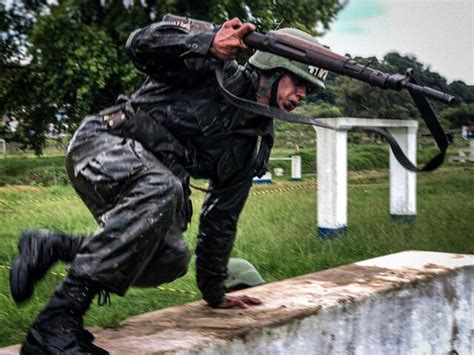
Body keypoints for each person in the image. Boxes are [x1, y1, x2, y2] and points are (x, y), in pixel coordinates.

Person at [10, 16, 326, 354]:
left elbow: (222, 217)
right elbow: (140, 44)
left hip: (149, 184)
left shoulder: (253, 144)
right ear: (274, 67)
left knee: (171, 258)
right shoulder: (214, 68)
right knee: (163, 188)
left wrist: (215, 292)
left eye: (308, 90)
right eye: (298, 82)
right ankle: (54, 325)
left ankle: (54, 245)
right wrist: (207, 44)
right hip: (101, 144)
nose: (302, 94)